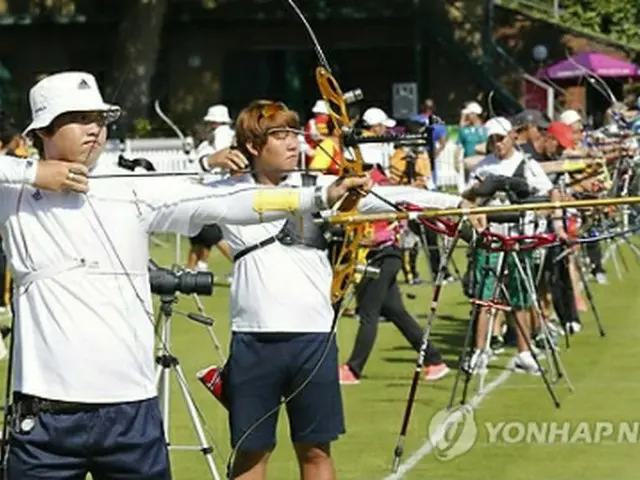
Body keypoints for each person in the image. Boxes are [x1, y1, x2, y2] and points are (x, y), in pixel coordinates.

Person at [1, 72, 366, 480]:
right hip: (46, 415)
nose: (95, 128)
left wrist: (317, 196)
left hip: (132, 413)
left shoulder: (133, 188)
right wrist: (33, 174)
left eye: (100, 118)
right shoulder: (12, 195)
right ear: (44, 130)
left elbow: (229, 202)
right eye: (80, 118)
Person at [207, 100, 485, 480]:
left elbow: (395, 197)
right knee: (252, 453)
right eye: (280, 135)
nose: (294, 144)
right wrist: (212, 160)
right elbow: (160, 194)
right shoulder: (224, 192)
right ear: (253, 146)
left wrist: (457, 206)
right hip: (254, 341)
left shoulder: (321, 187)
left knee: (316, 451)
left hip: (314, 340)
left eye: (294, 133)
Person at [339, 164, 451, 384]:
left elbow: (393, 219)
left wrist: (370, 239)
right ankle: (434, 360)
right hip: (379, 254)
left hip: (380, 254)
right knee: (396, 312)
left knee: (368, 313)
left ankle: (353, 369)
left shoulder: (378, 183)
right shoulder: (365, 179)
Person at [187, 104, 236, 271]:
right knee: (200, 234)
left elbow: (218, 159)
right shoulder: (229, 135)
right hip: (216, 189)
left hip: (212, 190)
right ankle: (194, 267)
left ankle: (239, 263)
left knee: (211, 233)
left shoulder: (221, 136)